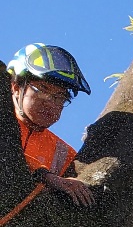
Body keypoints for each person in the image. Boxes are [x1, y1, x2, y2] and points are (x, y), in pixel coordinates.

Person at [7, 44, 94, 207]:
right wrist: (45, 176)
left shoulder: (63, 153)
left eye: (60, 97)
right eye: (42, 89)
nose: (50, 102)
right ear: (16, 87)